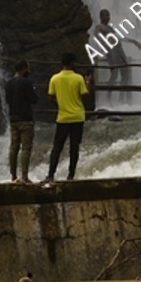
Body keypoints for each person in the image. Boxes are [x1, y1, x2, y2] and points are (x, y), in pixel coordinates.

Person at [44, 53, 89, 184]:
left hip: (62, 117)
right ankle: (70, 176)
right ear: (71, 63)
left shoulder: (55, 79)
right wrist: (88, 84)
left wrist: (60, 104)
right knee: (74, 147)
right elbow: (85, 96)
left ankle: (51, 175)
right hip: (78, 117)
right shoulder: (78, 78)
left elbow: (51, 96)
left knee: (57, 147)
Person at [93, 9, 141, 108]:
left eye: (108, 15)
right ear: (101, 17)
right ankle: (108, 98)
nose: (107, 17)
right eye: (105, 16)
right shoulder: (99, 27)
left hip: (119, 49)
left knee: (126, 73)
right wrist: (107, 48)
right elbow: (98, 38)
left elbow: (118, 38)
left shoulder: (110, 28)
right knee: (114, 73)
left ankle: (121, 98)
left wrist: (133, 41)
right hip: (111, 51)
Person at [5, 60, 38, 183]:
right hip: (25, 119)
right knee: (26, 148)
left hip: (13, 119)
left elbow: (8, 100)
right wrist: (33, 90)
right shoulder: (26, 82)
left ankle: (13, 176)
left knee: (14, 147)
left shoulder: (8, 83)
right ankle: (24, 176)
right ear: (23, 69)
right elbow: (34, 99)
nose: (29, 71)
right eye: (27, 69)